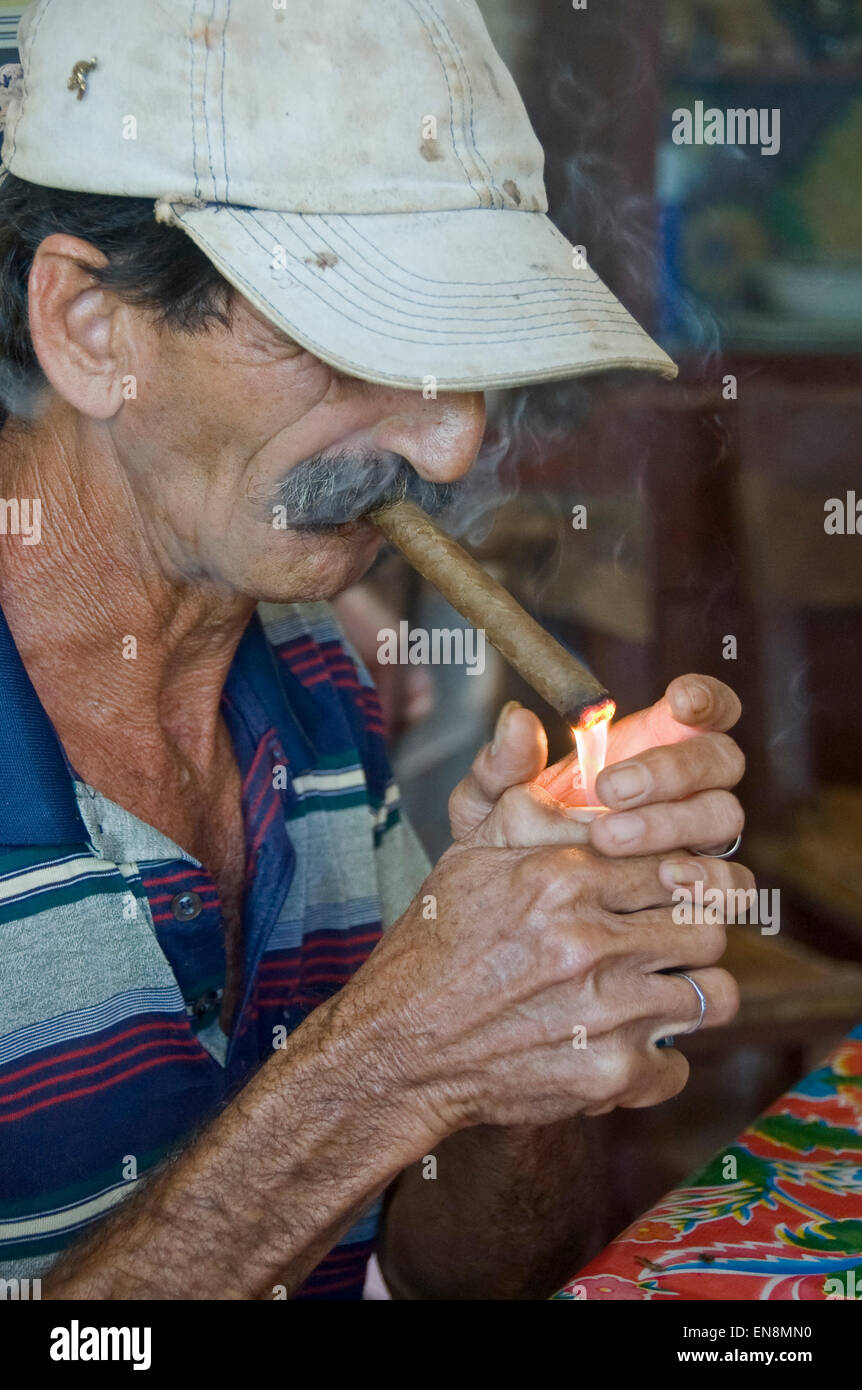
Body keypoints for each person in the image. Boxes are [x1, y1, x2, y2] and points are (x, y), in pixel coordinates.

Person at [0, 0, 747, 1300]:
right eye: (352, 337)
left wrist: (525, 1021)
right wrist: (383, 1059)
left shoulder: (312, 672)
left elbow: (447, 1276)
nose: (452, 447)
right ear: (88, 325)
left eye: (463, 353)